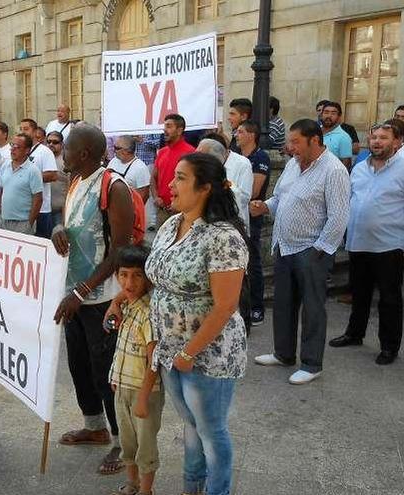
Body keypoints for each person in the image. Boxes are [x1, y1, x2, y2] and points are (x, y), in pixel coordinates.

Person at [144, 151, 248, 495]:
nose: (169, 185)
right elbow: (157, 279)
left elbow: (225, 305)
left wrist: (189, 353)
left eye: (180, 178)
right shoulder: (172, 223)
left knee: (211, 430)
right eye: (172, 177)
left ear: (204, 188)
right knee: (190, 424)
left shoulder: (223, 237)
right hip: (171, 349)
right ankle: (192, 488)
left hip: (206, 354)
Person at [52, 123, 134, 476]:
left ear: (83, 153)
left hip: (101, 298)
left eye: (66, 147)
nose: (62, 152)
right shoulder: (74, 181)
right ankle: (95, 425)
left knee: (107, 372)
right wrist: (58, 229)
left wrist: (83, 291)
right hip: (73, 293)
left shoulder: (113, 187)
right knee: (79, 366)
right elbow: (70, 223)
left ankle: (122, 442)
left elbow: (121, 249)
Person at [251, 119, 350, 385]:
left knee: (313, 308)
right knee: (283, 303)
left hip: (312, 249)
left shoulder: (334, 171)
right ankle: (283, 353)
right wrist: (265, 206)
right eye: (290, 141)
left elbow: (339, 216)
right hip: (284, 246)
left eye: (296, 142)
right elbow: (281, 197)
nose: (290, 147)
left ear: (314, 141)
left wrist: (321, 249)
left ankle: (311, 363)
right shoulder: (293, 164)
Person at [328, 121, 404, 365]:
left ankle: (389, 346)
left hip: (388, 244)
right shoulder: (361, 168)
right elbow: (350, 198)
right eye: (373, 137)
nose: (376, 142)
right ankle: (355, 333)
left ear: (397, 142)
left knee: (389, 298)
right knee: (359, 292)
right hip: (359, 241)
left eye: (384, 138)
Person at [105, 245, 163, 495]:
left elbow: (154, 360)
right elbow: (122, 348)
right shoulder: (126, 306)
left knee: (145, 446)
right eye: (124, 274)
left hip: (145, 393)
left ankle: (146, 491)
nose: (129, 282)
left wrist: (142, 398)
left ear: (148, 278)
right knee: (127, 443)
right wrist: (114, 376)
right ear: (117, 276)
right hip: (122, 387)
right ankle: (132, 484)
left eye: (137, 275)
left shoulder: (148, 313)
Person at [236, 120, 271, 327]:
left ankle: (257, 307)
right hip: (238, 216)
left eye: (241, 132)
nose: (237, 135)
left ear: (252, 135)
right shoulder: (237, 157)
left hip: (252, 218)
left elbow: (254, 191)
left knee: (253, 264)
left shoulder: (260, 157)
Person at [196, 135, 252, 232]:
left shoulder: (242, 164)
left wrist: (224, 188)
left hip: (231, 225)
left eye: (201, 155)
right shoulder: (198, 168)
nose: (196, 158)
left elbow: (245, 197)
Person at [151, 114, 196, 228]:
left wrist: (180, 202)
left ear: (179, 130)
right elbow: (153, 178)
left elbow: (193, 183)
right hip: (162, 212)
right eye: (164, 126)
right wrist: (156, 197)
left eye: (169, 126)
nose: (165, 130)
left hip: (182, 213)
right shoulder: (161, 152)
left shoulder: (191, 152)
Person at [20, 119, 59, 238]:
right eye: (21, 129)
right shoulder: (18, 151)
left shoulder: (44, 151)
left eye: (26, 129)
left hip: (41, 209)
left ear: (35, 131)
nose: (23, 132)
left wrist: (28, 176)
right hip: (21, 208)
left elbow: (53, 175)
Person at [0, 133, 43, 234]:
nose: (13, 149)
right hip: (3, 221)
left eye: (17, 147)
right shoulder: (5, 166)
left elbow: (38, 199)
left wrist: (29, 224)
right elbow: (1, 191)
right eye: (12, 145)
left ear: (27, 150)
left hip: (22, 223)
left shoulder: (33, 171)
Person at [108, 136, 150, 202]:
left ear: (127, 150)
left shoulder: (140, 168)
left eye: (117, 148)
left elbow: (144, 195)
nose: (114, 150)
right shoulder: (113, 161)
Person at [320, 102, 354, 169]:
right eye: (326, 112)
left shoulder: (344, 137)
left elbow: (346, 165)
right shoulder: (313, 132)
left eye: (333, 113)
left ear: (339, 117)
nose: (329, 116)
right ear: (321, 115)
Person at [46, 131, 69, 227]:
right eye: (49, 141)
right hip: (44, 210)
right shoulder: (43, 158)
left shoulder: (67, 161)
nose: (51, 144)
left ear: (62, 144)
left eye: (55, 142)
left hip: (60, 211)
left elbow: (70, 186)